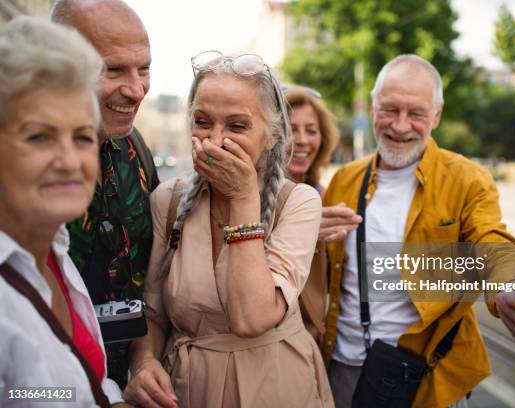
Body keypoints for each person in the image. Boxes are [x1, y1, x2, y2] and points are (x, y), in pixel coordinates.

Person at [321, 54, 515, 407]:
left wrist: (506, 287)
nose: (401, 126)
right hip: (343, 368)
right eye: (390, 109)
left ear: (436, 116)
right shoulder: (345, 179)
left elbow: (489, 237)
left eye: (417, 113)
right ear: (373, 108)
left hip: (428, 376)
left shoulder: (468, 179)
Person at [124, 51, 334, 408]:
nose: (215, 141)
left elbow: (252, 317)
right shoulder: (168, 201)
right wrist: (143, 362)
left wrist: (242, 198)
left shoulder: (297, 202)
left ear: (271, 135)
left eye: (237, 127)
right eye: (203, 122)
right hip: (189, 388)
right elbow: (154, 311)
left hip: (275, 386)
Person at [0, 16, 132, 407]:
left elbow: (27, 392)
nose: (69, 160)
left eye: (82, 137)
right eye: (39, 136)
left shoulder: (53, 248)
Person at [50, 0, 160, 388]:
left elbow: (151, 280)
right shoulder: (16, 171)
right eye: (112, 70)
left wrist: (143, 361)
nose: (137, 90)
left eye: (143, 68)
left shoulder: (136, 149)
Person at [284, 85, 341, 344]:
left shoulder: (327, 196)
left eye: (311, 130)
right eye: (291, 129)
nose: (303, 140)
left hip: (312, 343)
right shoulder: (251, 195)